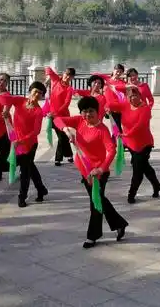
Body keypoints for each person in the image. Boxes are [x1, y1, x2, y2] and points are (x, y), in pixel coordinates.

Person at [55, 96, 128, 249]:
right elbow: (57, 119)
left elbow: (111, 150)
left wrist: (101, 169)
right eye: (85, 111)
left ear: (97, 111)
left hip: (98, 172)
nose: (88, 114)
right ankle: (119, 223)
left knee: (95, 202)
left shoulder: (102, 130)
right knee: (99, 199)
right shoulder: (79, 121)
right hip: (84, 169)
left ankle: (92, 236)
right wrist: (66, 130)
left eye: (91, 111)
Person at [1, 81, 48, 207]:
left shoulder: (38, 111)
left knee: (25, 171)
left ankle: (22, 197)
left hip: (29, 144)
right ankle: (41, 189)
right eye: (35, 91)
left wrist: (20, 141)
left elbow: (36, 131)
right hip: (17, 142)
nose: (37, 94)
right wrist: (6, 110)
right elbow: (5, 99)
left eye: (40, 93)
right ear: (30, 91)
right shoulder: (20, 101)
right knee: (30, 167)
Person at [45, 66, 76, 167]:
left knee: (61, 137)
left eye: (70, 76)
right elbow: (48, 69)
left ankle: (58, 159)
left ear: (72, 78)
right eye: (66, 74)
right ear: (63, 73)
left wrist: (55, 113)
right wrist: (50, 76)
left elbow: (66, 104)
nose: (67, 77)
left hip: (63, 116)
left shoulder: (69, 89)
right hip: (52, 115)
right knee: (62, 136)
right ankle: (69, 154)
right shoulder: (56, 81)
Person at [107, 64, 127, 131]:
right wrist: (106, 107)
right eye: (117, 71)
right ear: (113, 70)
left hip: (122, 109)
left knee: (121, 127)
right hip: (111, 109)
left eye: (120, 72)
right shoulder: (107, 81)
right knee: (115, 129)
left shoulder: (123, 83)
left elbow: (126, 95)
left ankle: (121, 137)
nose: (118, 73)